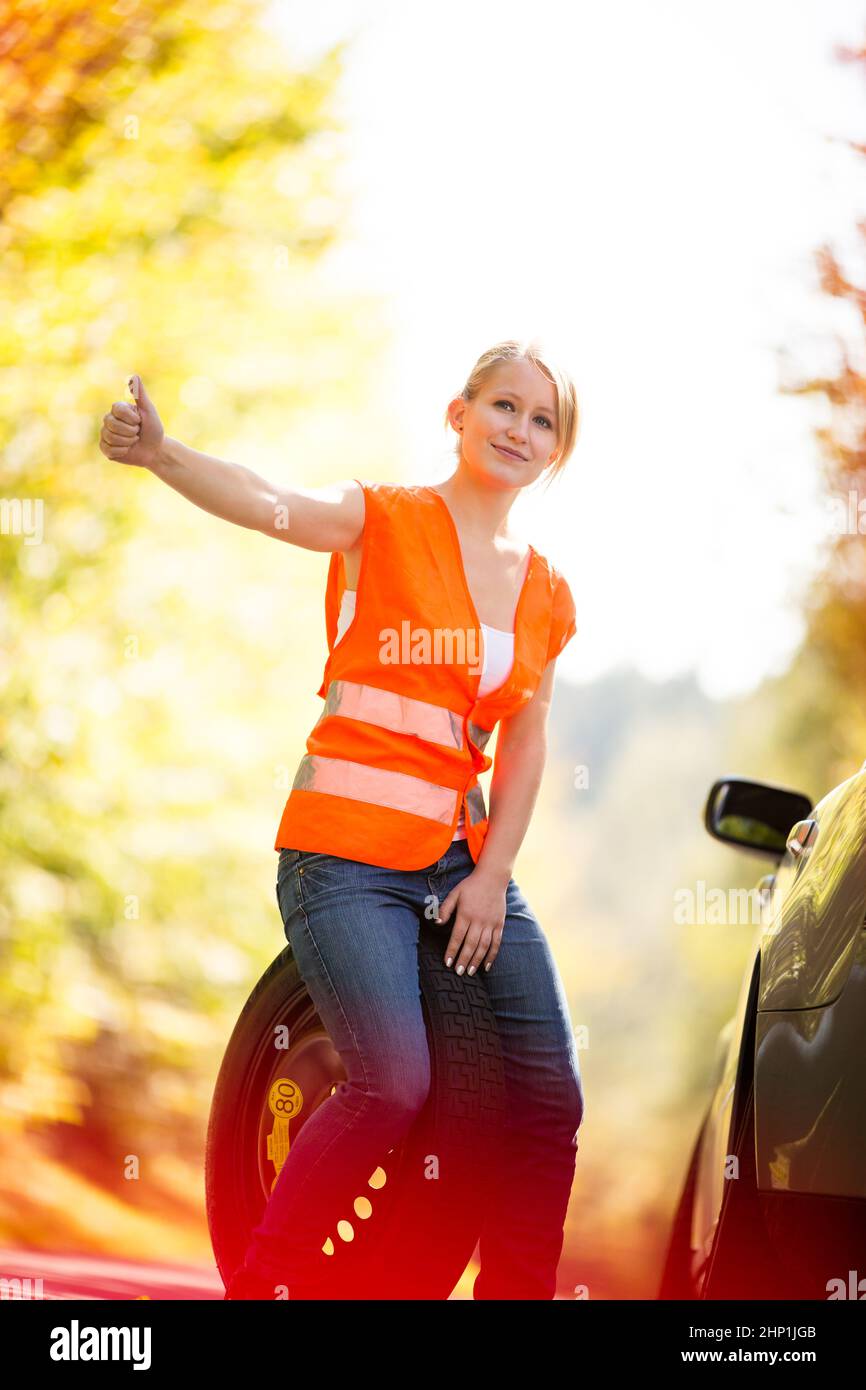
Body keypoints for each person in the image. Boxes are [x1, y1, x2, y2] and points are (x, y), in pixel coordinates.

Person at [99, 337, 585, 1300]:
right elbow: (268, 500)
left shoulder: (547, 592)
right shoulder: (384, 518)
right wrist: (165, 453)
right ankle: (266, 1285)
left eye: (543, 421)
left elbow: (526, 743)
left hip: (458, 863)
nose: (519, 430)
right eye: (504, 407)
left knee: (550, 1099)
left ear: (558, 450)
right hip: (343, 859)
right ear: (459, 414)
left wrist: (490, 876)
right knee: (392, 1085)